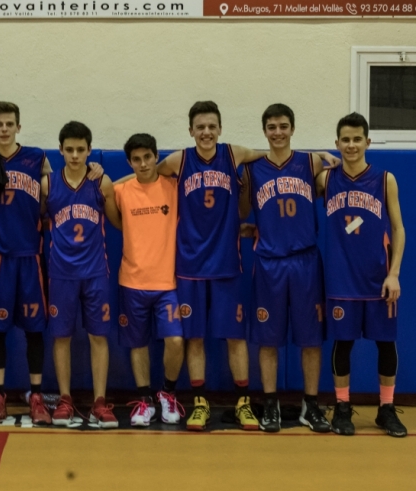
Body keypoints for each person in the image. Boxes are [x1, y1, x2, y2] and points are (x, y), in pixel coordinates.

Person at [152, 101, 339, 431]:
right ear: (191, 130)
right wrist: (103, 177)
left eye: (212, 126)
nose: (206, 132)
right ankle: (202, 403)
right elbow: (146, 173)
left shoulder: (239, 155)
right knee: (196, 338)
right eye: (200, 127)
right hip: (192, 263)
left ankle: (251, 403)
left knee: (239, 337)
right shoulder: (181, 160)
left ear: (220, 129)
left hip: (237, 262)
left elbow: (282, 160)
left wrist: (322, 155)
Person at [241, 103, 331, 433]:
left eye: (283, 126)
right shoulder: (252, 169)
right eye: (271, 127)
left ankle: (311, 405)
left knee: (311, 340)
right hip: (269, 262)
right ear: (264, 131)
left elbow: (334, 184)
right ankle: (271, 404)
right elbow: (241, 211)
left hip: (305, 260)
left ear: (293, 128)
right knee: (268, 340)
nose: (277, 132)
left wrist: (329, 157)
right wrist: (250, 227)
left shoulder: (312, 162)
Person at [317, 112, 407, 437]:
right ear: (337, 143)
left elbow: (398, 229)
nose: (351, 145)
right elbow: (294, 174)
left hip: (378, 278)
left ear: (368, 142)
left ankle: (386, 409)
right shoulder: (326, 180)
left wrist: (394, 273)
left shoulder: (385, 179)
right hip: (341, 279)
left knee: (386, 343)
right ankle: (342, 407)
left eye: (357, 139)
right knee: (343, 344)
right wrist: (320, 157)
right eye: (345, 139)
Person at [0, 102, 53, 426]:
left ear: (18, 127)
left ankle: (36, 396)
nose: (5, 129)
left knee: (35, 330)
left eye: (10, 124)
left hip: (31, 254)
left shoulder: (37, 158)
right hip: (0, 255)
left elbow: (53, 196)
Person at [44, 121, 121, 429]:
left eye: (80, 149)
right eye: (69, 149)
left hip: (95, 272)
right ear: (60, 150)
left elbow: (117, 222)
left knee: (98, 336)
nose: (75, 155)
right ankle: (65, 399)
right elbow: (33, 220)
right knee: (61, 337)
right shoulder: (48, 184)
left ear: (89, 150)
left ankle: (99, 401)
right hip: (61, 272)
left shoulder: (101, 182)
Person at [112, 133, 185, 427]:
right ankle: (144, 400)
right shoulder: (121, 191)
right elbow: (102, 194)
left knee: (176, 340)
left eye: (147, 157)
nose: (143, 164)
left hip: (167, 283)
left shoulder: (173, 187)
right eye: (136, 159)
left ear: (156, 156)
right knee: (138, 344)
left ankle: (167, 393)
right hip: (132, 281)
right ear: (129, 162)